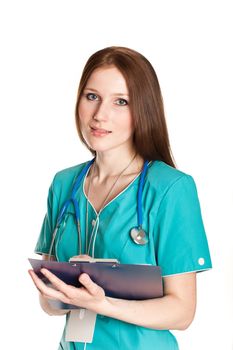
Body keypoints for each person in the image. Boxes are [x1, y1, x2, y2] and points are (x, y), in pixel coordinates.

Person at [29, 46, 212, 350]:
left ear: (143, 110)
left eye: (121, 102)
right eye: (92, 97)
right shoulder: (64, 184)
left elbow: (182, 312)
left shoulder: (170, 189)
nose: (100, 115)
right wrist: (63, 290)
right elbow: (49, 304)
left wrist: (102, 302)